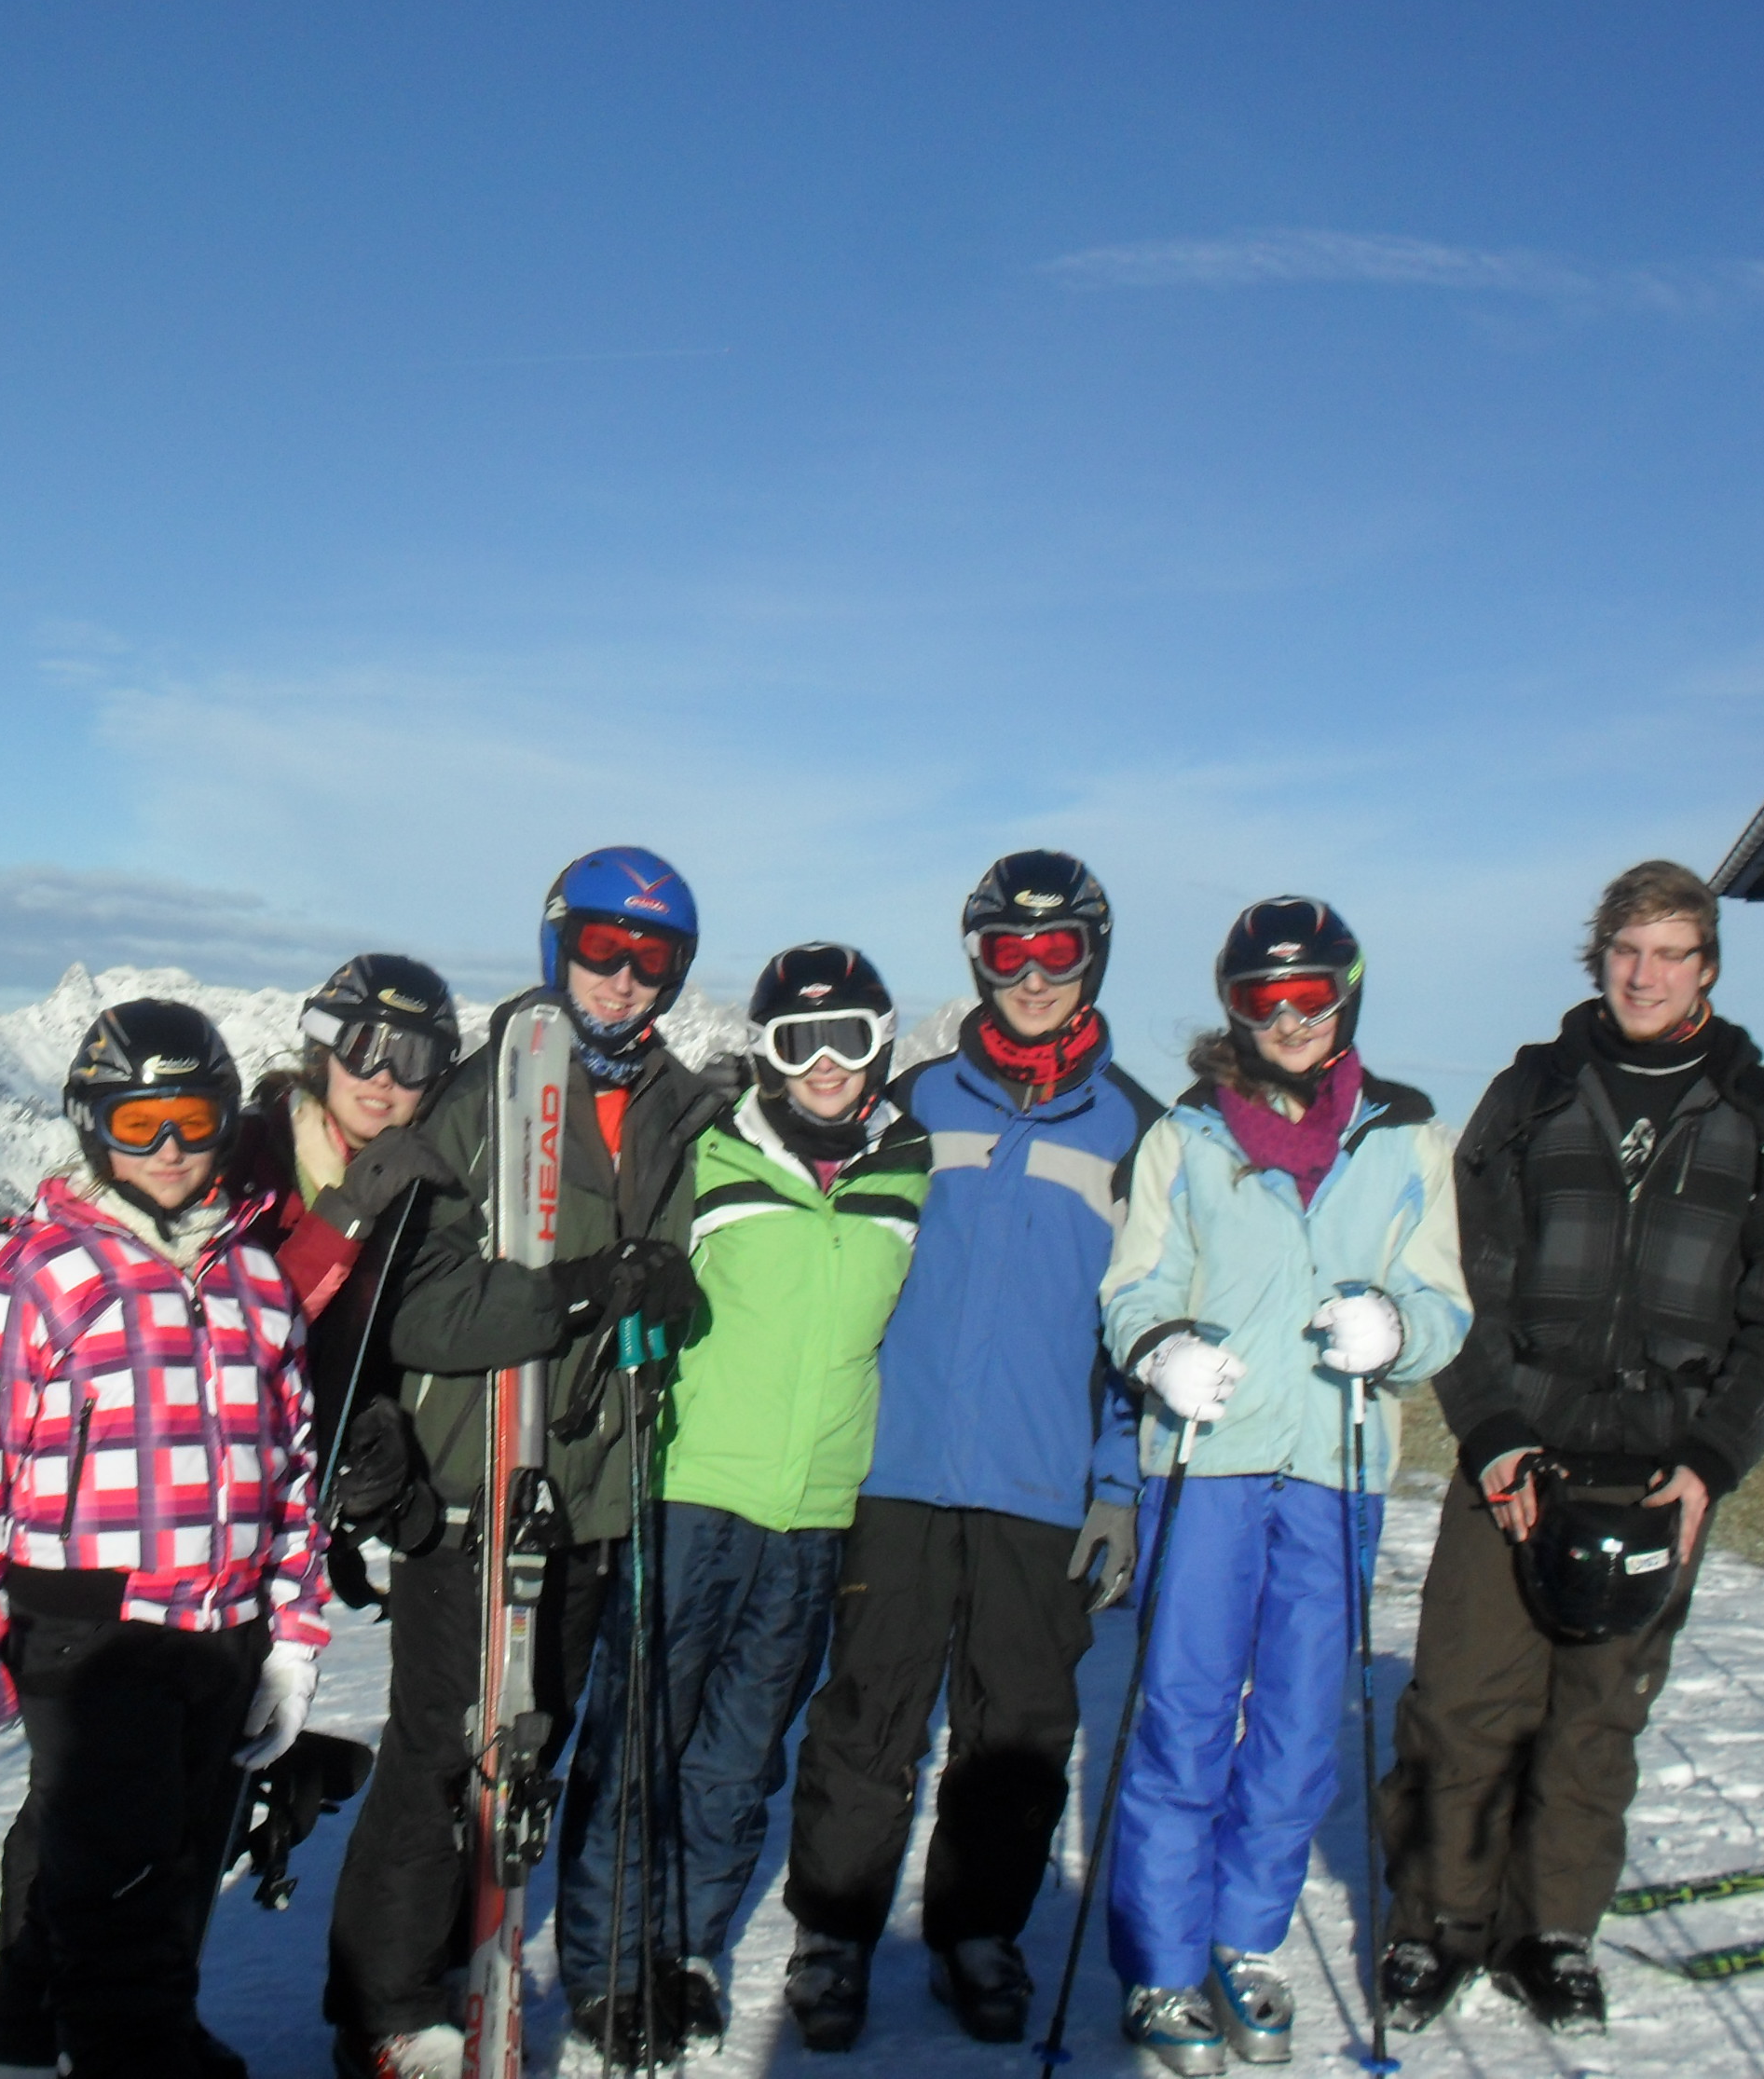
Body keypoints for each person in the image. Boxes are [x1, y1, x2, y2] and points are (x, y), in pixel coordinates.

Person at [1376, 860, 1764, 2038]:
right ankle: (1436, 1924)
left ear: (1707, 967)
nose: (1645, 974)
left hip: (1659, 1473)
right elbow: (1458, 1276)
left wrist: (1713, 1462)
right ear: (1601, 957)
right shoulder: (1532, 1092)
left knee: (1598, 1716)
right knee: (1465, 1702)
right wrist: (1493, 1434)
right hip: (1518, 1458)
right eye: (1628, 949)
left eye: (1672, 952)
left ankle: (1551, 1933)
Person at [324, 850, 732, 2079]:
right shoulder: (479, 1095)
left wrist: (668, 1291)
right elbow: (417, 1308)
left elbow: (668, 1268)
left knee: (524, 1748)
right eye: (602, 948)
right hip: (472, 1481)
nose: (623, 977)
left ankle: (468, 1964)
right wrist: (575, 1294)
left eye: (652, 958)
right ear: (560, 946)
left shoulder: (673, 1107)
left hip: (595, 1488)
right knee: (443, 1751)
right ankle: (385, 2010)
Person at [781, 850, 1160, 2051]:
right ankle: (834, 1933)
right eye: (1008, 951)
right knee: (868, 1711)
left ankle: (977, 1932)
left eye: (1057, 951)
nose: (1033, 976)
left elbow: (1141, 1323)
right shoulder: (911, 1102)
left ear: (1094, 956)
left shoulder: (1136, 1127)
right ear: (978, 960)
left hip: (1044, 1484)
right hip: (896, 1469)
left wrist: (1117, 1485)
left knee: (1019, 1728)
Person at [0, 998, 331, 2079]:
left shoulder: (258, 1283)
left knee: (172, 1871)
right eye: (139, 1123)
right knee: (119, 1905)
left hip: (223, 1632)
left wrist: (291, 1639)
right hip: (92, 1639)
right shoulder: (36, 1277)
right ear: (93, 1126)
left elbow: (290, 1472)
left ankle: (36, 2053)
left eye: (194, 1119)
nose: (170, 1148)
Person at [1095, 897, 1470, 2074]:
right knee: (1186, 1710)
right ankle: (1163, 1963)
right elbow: (1134, 1286)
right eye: (1265, 998)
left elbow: (1445, 1299)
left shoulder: (1408, 1138)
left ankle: (1247, 1938)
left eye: (1314, 995)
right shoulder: (1186, 1137)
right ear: (1234, 1007)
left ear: (1347, 996)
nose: (1292, 1019)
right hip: (1208, 1453)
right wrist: (1161, 1349)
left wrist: (1396, 1329)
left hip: (1335, 1459)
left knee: (1304, 1722)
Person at [550, 943, 934, 2063]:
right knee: (641, 1736)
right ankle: (609, 1965)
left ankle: (688, 1950)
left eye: (847, 1038)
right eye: (798, 1042)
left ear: (880, 1045)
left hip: (812, 1508)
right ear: (766, 1050)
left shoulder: (907, 1167)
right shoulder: (709, 1149)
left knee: (738, 1753)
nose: (824, 1065)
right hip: (690, 1490)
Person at [229, 954, 468, 1595]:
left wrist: (378, 1421)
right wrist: (351, 1209)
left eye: (413, 1059)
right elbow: (244, 1333)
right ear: (323, 1051)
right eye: (364, 1047)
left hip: (296, 1524)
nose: (384, 1077)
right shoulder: (250, 1161)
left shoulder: (427, 1187)